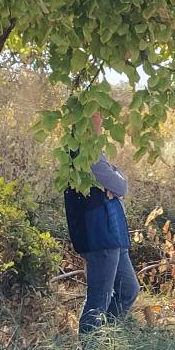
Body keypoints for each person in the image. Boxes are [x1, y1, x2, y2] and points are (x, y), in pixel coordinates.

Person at [64, 139, 138, 334]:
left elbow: (117, 182)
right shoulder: (84, 148)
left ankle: (105, 340)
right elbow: (121, 186)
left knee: (128, 290)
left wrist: (114, 175)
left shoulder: (95, 148)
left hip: (114, 233)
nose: (102, 124)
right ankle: (88, 349)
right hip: (99, 233)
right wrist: (115, 176)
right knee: (98, 299)